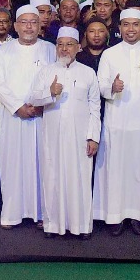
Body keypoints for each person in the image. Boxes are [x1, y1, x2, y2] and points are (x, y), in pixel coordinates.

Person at [26, 27, 101, 237]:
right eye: (60, 44)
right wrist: (49, 93)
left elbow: (95, 107)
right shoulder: (46, 72)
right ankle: (52, 225)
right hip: (52, 136)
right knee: (52, 177)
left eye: (69, 44)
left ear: (78, 47)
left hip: (80, 137)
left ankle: (82, 227)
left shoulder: (88, 72)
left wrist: (93, 136)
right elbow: (33, 99)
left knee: (80, 179)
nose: (64, 49)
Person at [94, 8, 140, 235]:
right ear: (119, 28)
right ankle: (114, 217)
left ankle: (139, 217)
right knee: (116, 169)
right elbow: (99, 86)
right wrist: (111, 88)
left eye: (135, 25)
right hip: (116, 122)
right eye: (126, 25)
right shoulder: (109, 55)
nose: (131, 29)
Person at [0, 5, 55, 226]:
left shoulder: (50, 49)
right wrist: (18, 106)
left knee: (42, 164)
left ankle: (41, 213)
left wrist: (41, 104)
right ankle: (12, 213)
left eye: (34, 22)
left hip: (42, 116)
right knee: (12, 164)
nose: (29, 27)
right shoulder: (3, 51)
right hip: (12, 118)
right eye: (24, 22)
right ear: (16, 26)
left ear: (40, 26)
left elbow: (56, 79)